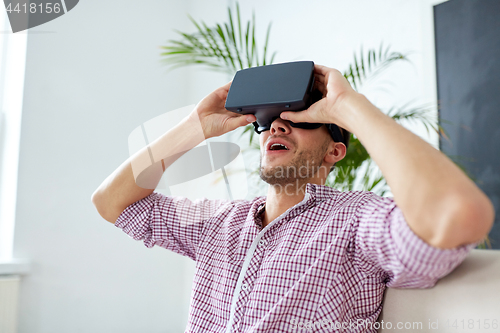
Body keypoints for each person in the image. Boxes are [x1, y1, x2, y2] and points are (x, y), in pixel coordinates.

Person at [91, 64, 494, 332]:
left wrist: (348, 108)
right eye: (267, 121)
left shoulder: (356, 220)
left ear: (335, 150)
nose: (277, 127)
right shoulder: (220, 224)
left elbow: (457, 214)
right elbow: (111, 202)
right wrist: (194, 127)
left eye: (300, 118)